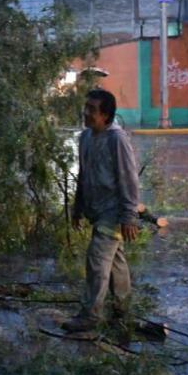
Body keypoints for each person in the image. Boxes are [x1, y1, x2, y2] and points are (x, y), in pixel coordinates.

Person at [62, 89, 141, 333]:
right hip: (96, 211)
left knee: (97, 260)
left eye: (91, 110)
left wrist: (129, 216)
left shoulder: (116, 139)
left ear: (106, 115)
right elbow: (83, 175)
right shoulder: (85, 137)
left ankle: (90, 316)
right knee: (116, 262)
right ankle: (122, 311)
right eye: (85, 108)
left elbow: (128, 179)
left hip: (114, 212)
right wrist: (78, 208)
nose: (85, 114)